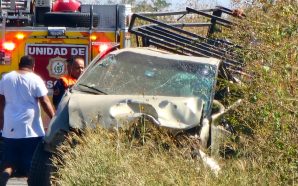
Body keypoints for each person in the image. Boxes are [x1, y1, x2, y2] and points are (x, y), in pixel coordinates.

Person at [0, 55, 55, 185]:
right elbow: (45, 101)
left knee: (9, 162)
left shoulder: (6, 78)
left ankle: (3, 178)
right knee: (32, 166)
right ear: (33, 66)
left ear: (19, 64)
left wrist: (2, 122)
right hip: (31, 131)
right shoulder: (35, 79)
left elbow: (1, 102)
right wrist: (55, 118)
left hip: (9, 130)